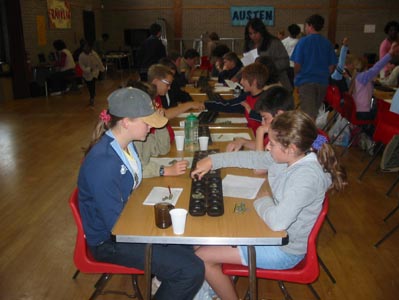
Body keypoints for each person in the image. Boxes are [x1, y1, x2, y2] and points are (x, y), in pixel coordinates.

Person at [191, 110, 347, 300]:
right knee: (207, 237)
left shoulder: (306, 177)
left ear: (290, 148)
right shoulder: (294, 156)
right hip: (273, 236)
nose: (267, 147)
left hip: (284, 250)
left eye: (271, 144)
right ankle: (214, 286)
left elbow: (277, 222)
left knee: (201, 257)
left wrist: (262, 200)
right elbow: (253, 159)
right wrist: (213, 161)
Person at [77, 87, 204, 300]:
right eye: (147, 122)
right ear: (126, 122)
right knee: (190, 271)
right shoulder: (103, 163)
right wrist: (154, 227)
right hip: (109, 242)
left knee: (191, 244)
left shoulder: (126, 145)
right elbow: (117, 227)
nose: (150, 128)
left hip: (128, 222)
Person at [128, 81, 189, 178]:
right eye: (153, 104)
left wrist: (160, 124)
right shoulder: (133, 135)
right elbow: (136, 169)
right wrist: (164, 170)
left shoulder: (144, 132)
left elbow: (163, 149)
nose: (156, 106)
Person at [291, 14, 338, 120]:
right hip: (322, 83)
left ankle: (310, 135)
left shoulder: (303, 42)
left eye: (306, 26)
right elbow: (331, 67)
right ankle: (312, 133)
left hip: (306, 82)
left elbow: (297, 64)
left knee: (308, 115)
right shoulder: (327, 43)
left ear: (310, 26)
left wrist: (296, 76)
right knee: (314, 112)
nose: (305, 28)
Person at [226, 86, 294, 153]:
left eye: (265, 118)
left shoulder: (287, 140)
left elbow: (260, 161)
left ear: (279, 115)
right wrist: (243, 141)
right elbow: (263, 146)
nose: (262, 123)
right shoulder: (278, 131)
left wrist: (260, 131)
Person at [147, 64, 205, 142]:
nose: (169, 88)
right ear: (155, 81)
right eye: (167, 84)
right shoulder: (147, 99)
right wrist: (190, 104)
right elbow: (165, 114)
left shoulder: (156, 97)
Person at [349, 42, 399, 120]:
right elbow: (378, 66)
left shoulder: (356, 76)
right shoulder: (365, 76)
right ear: (366, 67)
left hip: (356, 110)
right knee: (383, 111)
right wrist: (390, 54)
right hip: (363, 112)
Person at [243, 18, 291, 92]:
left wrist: (266, 67)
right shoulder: (249, 45)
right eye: (250, 33)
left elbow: (285, 62)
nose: (253, 36)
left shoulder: (274, 43)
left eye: (255, 33)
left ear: (261, 31)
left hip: (277, 85)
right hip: (257, 87)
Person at [78, 42, 105, 107]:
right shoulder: (81, 56)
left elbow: (99, 61)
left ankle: (92, 97)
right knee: (89, 84)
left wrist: (102, 69)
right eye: (85, 47)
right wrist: (87, 69)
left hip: (94, 71)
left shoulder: (94, 54)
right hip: (86, 73)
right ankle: (92, 93)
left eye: (88, 47)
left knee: (92, 83)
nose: (86, 48)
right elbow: (81, 65)